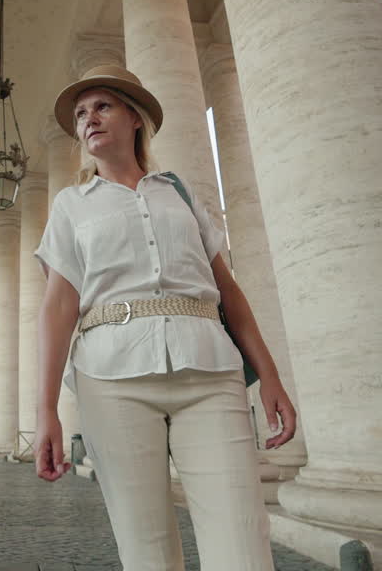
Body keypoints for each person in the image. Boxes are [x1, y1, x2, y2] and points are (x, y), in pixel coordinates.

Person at [33, 66, 297, 571]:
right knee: (146, 549)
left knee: (243, 541)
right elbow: (58, 308)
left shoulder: (179, 193)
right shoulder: (70, 206)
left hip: (211, 374)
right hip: (111, 381)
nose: (89, 119)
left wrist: (270, 375)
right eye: (81, 113)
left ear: (135, 118)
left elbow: (229, 291)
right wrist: (46, 409)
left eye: (102, 106)